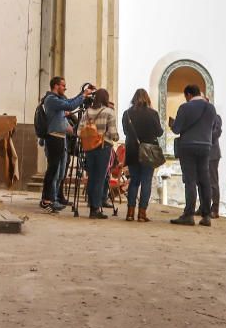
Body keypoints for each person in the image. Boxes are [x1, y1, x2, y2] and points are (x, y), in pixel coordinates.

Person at [40, 77, 94, 213]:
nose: (65, 88)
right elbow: (70, 105)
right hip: (54, 138)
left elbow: (69, 103)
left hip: (60, 138)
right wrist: (83, 95)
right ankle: (48, 200)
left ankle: (52, 199)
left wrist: (83, 94)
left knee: (57, 172)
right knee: (53, 171)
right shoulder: (51, 99)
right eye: (63, 85)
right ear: (56, 86)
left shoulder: (56, 99)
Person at [168, 84, 217, 227]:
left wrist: (172, 124)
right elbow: (213, 128)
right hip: (205, 146)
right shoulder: (211, 108)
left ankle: (189, 214)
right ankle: (206, 215)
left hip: (188, 146)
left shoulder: (185, 107)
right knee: (204, 180)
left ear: (188, 94)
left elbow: (177, 129)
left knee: (190, 180)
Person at [121, 88, 163, 222]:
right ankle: (142, 213)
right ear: (147, 99)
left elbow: (126, 131)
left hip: (133, 150)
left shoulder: (127, 114)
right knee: (146, 181)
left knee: (134, 181)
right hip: (148, 151)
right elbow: (159, 132)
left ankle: (130, 212)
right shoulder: (153, 114)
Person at [78, 88, 118, 218]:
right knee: (100, 178)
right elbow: (112, 133)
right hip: (103, 147)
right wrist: (115, 137)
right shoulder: (109, 112)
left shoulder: (87, 112)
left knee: (92, 177)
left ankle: (92, 206)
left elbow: (79, 131)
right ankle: (95, 209)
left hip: (89, 148)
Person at [209, 113, 223, 218]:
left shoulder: (215, 116)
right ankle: (204, 207)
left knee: (213, 182)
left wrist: (204, 135)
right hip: (202, 153)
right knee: (201, 182)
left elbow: (217, 132)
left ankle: (215, 209)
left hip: (212, 154)